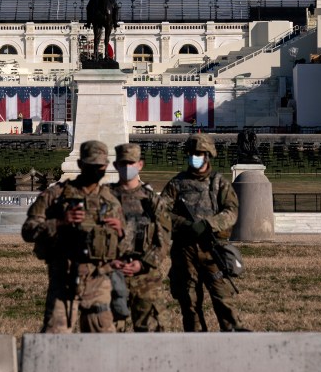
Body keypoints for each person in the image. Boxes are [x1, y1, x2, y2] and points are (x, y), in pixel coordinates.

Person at [22, 140, 125, 333]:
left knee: (104, 342)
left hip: (99, 280)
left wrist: (120, 231)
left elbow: (125, 244)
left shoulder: (111, 201)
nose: (96, 170)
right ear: (80, 165)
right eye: (91, 166)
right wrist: (60, 222)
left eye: (100, 166)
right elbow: (28, 230)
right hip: (64, 278)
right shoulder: (56, 196)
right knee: (56, 338)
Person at [162, 133, 248, 332]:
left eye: (199, 153)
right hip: (185, 252)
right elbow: (161, 213)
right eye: (192, 153)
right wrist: (184, 224)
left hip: (212, 250)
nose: (195, 157)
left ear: (208, 155)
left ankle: (234, 338)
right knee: (190, 303)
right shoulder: (177, 184)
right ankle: (196, 344)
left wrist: (209, 224)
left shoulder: (219, 183)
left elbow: (232, 211)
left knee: (223, 300)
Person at [106, 143, 171, 332]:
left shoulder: (153, 201)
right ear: (116, 165)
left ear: (140, 165)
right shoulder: (104, 198)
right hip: (112, 274)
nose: (127, 167)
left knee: (151, 337)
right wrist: (111, 262)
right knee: (110, 337)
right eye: (123, 163)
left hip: (146, 277)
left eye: (131, 163)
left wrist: (143, 263)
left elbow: (164, 240)